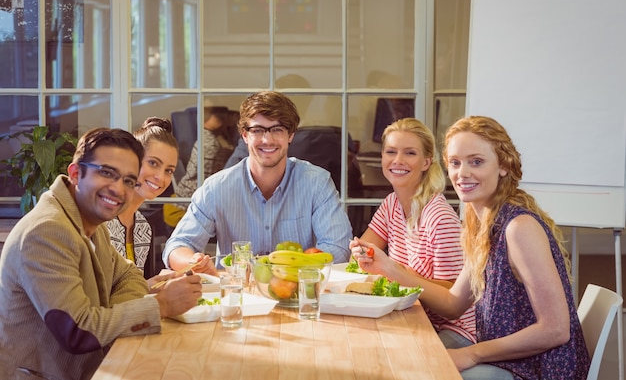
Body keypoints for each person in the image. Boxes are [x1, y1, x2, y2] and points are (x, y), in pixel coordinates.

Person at [353, 116, 590, 380]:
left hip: (538, 368)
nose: (462, 173)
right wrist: (389, 268)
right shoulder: (480, 224)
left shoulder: (518, 227)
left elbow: (556, 330)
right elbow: (453, 304)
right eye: (455, 163)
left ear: (503, 165)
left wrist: (472, 353)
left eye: (476, 162)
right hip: (505, 359)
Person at [0, 127, 202, 380]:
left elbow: (129, 275)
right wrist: (160, 304)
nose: (118, 189)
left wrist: (104, 313)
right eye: (107, 173)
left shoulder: (89, 222)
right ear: (75, 173)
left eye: (129, 180)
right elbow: (78, 331)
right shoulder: (47, 231)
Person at [163, 90, 353, 274]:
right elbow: (177, 246)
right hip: (237, 298)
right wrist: (194, 262)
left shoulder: (317, 183)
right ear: (245, 135)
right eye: (258, 130)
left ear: (291, 135)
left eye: (277, 129)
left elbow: (338, 248)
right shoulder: (217, 188)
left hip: (297, 293)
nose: (267, 140)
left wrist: (293, 268)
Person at [349, 117, 476, 345]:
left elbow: (453, 296)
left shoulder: (439, 217)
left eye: (410, 153)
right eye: (391, 152)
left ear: (427, 162)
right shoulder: (391, 204)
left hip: (453, 329)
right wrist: (360, 253)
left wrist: (399, 273)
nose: (398, 160)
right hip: (413, 315)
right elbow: (363, 252)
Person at [107, 117, 178, 277]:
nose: (160, 177)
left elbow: (133, 291)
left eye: (169, 170)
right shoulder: (102, 222)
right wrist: (150, 287)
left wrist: (158, 285)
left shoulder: (142, 227)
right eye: (153, 163)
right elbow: (102, 294)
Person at [175, 106, 234, 199]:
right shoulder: (210, 143)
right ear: (215, 120)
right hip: (190, 199)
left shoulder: (206, 136)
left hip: (186, 194)